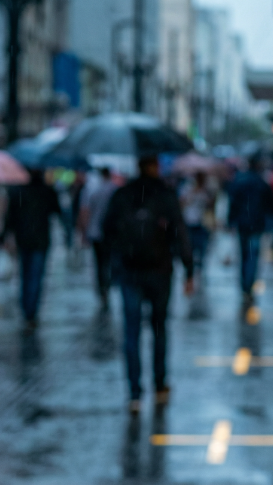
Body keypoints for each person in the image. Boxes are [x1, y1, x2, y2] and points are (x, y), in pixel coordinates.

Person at [103, 156, 194, 413]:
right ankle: (159, 383)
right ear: (155, 166)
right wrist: (189, 269)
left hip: (129, 272)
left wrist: (110, 269)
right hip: (160, 271)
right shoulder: (166, 195)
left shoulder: (122, 194)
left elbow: (106, 231)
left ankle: (134, 392)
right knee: (158, 328)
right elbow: (179, 231)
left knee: (131, 332)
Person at [5, 170, 61, 328]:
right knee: (35, 276)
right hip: (40, 240)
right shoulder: (46, 191)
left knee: (25, 274)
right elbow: (56, 210)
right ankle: (31, 311)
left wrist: (7, 234)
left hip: (24, 239)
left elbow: (11, 216)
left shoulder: (18, 190)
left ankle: (27, 308)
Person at [226, 157, 273, 308]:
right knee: (252, 257)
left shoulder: (240, 181)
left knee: (244, 256)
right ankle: (248, 286)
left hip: (244, 225)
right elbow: (270, 205)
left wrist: (231, 220)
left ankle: (245, 286)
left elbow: (233, 202)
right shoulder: (262, 183)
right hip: (256, 225)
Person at [79, 167, 119, 311]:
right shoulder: (115, 189)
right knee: (109, 260)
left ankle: (102, 289)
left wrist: (83, 232)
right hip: (110, 234)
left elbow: (85, 211)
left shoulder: (91, 189)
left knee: (99, 262)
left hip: (95, 232)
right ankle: (107, 285)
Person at [179, 172, 215, 276]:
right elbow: (182, 203)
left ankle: (199, 270)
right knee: (190, 248)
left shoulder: (206, 191)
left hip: (202, 224)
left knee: (202, 249)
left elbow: (210, 207)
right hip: (189, 222)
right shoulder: (187, 188)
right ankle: (191, 270)